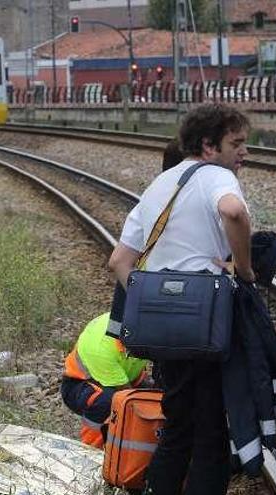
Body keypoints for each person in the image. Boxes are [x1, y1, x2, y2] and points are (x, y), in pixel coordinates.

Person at [108, 103, 254, 494]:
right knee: (210, 432)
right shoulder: (215, 176)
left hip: (165, 330)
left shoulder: (161, 183)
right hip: (204, 323)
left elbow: (119, 260)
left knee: (177, 427)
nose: (244, 152)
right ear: (209, 146)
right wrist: (245, 268)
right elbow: (234, 212)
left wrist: (147, 302)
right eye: (236, 143)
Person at [61, 312, 149, 448]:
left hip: (127, 377)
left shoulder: (148, 327)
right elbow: (127, 394)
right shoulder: (101, 347)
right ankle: (89, 449)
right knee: (108, 401)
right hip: (78, 385)